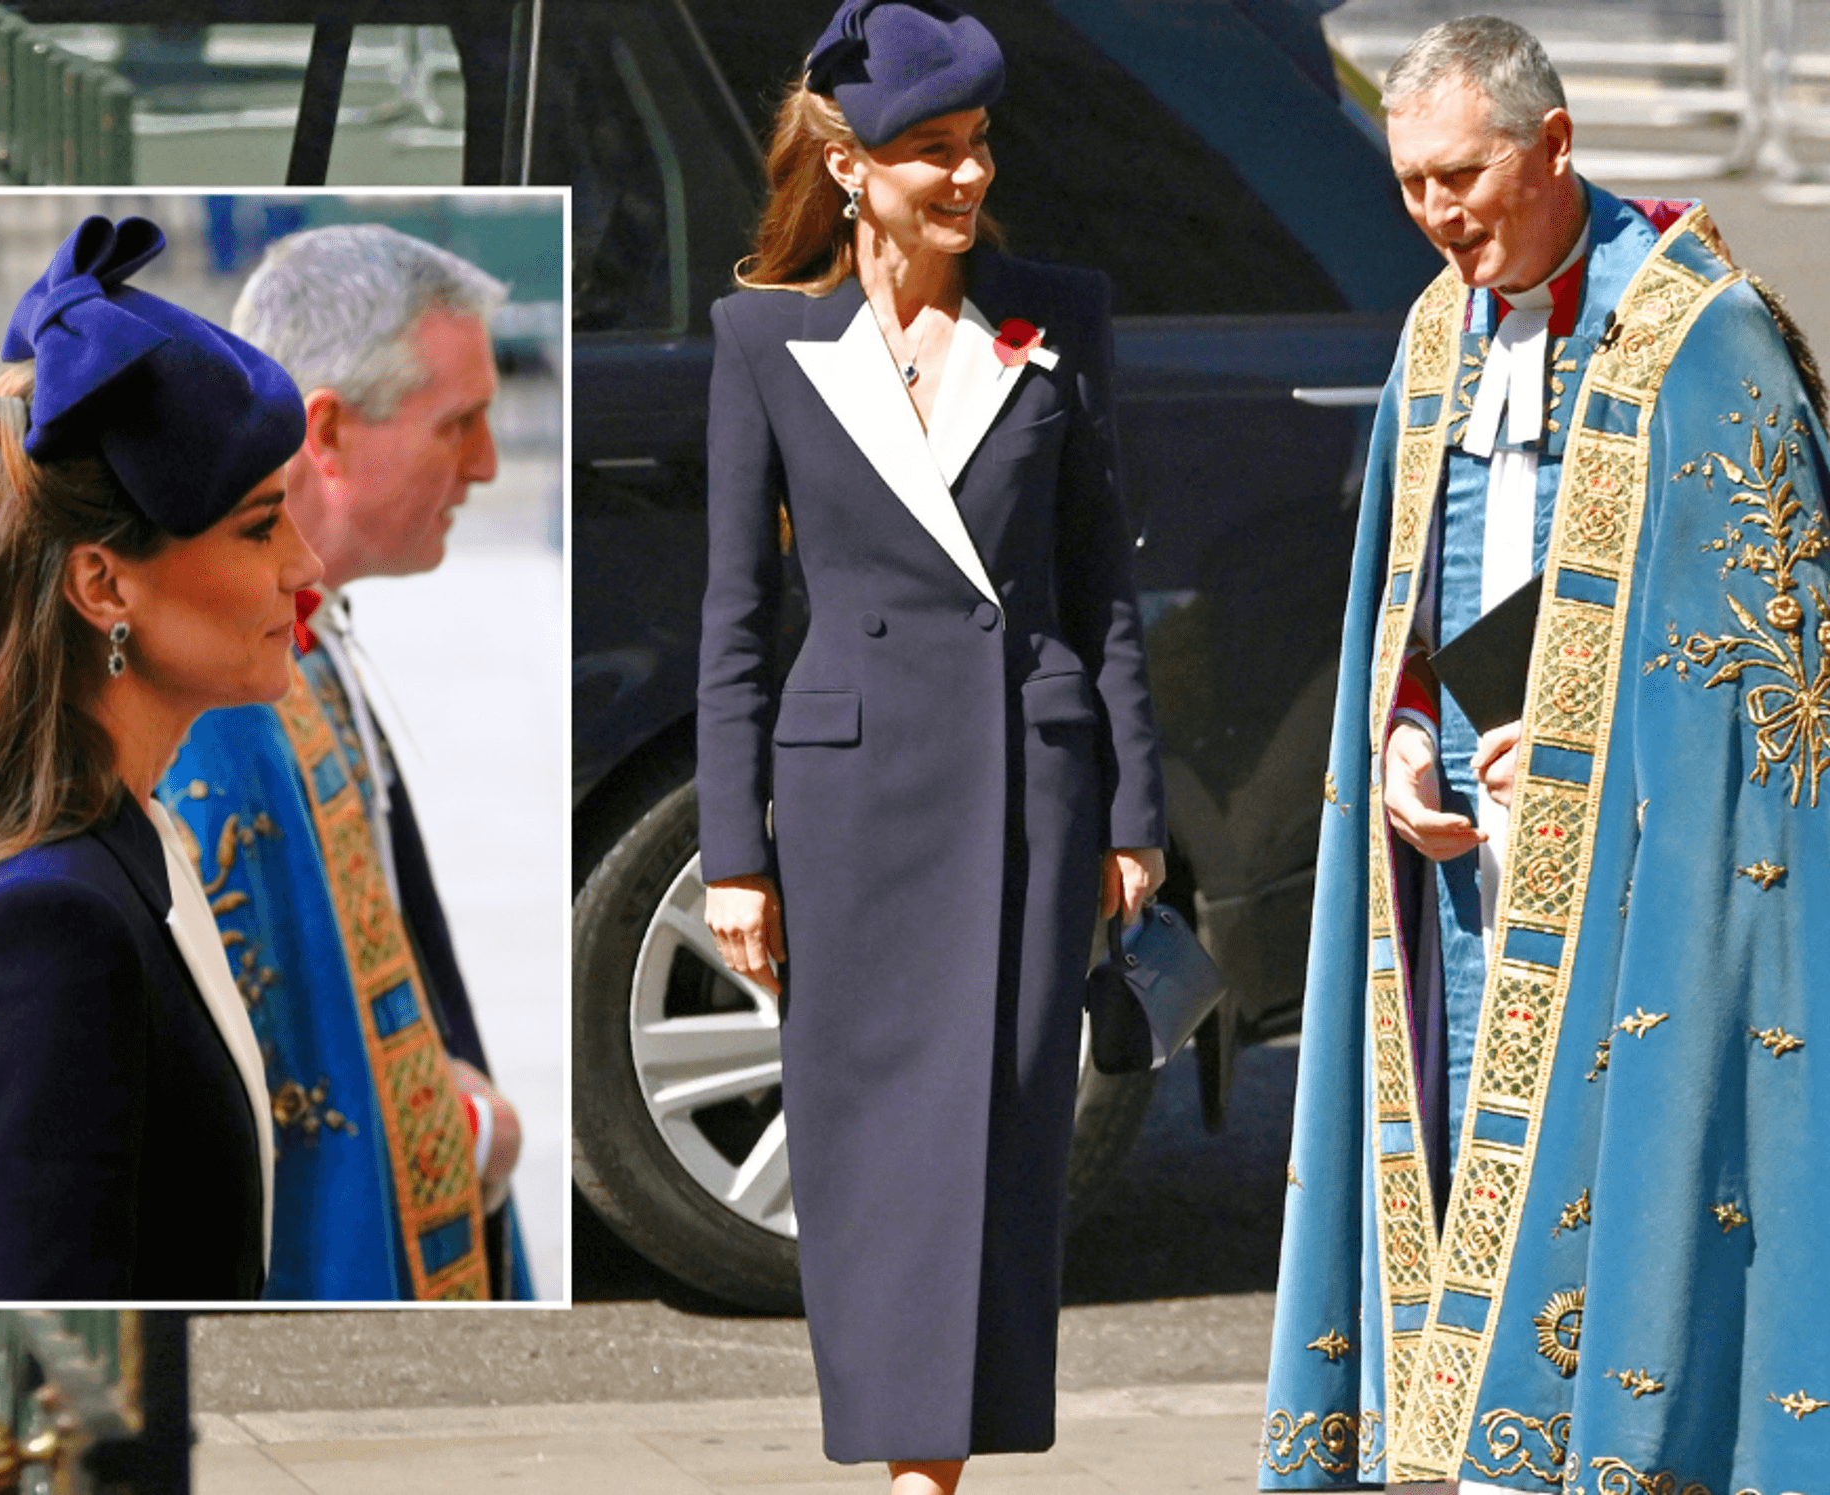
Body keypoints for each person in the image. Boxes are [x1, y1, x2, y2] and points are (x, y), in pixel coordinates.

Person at [1263, 18, 1829, 1493]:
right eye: (1410, 185)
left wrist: (1592, 745)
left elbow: (1763, 678)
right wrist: (1398, 733)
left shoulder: (1706, 337)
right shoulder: (1435, 332)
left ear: (1555, 145)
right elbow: (1418, 579)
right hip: (1458, 872)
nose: (1439, 217)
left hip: (1636, 885)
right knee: (1455, 1167)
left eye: (1464, 178)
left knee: (1609, 1193)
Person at [697, 2, 1167, 1486]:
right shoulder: (765, 338)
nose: (966, 180)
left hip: (1030, 785)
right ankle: (908, 1455)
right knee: (868, 1148)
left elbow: (1104, 588)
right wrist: (732, 848)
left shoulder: (1054, 316)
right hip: (851, 801)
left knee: (1004, 1139)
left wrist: (1133, 808)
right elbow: (735, 616)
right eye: (929, 155)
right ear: (850, 170)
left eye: (976, 148)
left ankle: (933, 1472)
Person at [0, 215, 317, 1299]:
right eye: (258, 526)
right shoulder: (41, 924)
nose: (306, 562)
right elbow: (42, 1366)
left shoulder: (120, 842)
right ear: (104, 586)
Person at [161, 223, 529, 1301]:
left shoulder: (298, 632)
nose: (488, 464)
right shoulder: (222, 697)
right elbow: (257, 1056)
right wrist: (459, 1128)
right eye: (456, 424)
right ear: (325, 428)